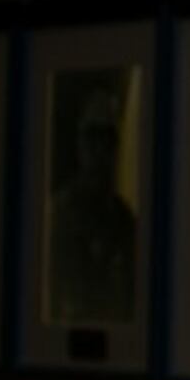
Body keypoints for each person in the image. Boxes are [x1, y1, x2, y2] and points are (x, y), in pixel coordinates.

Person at [40, 74, 141, 328]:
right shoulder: (58, 214)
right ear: (80, 144)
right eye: (91, 139)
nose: (98, 152)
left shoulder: (125, 222)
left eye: (106, 141)